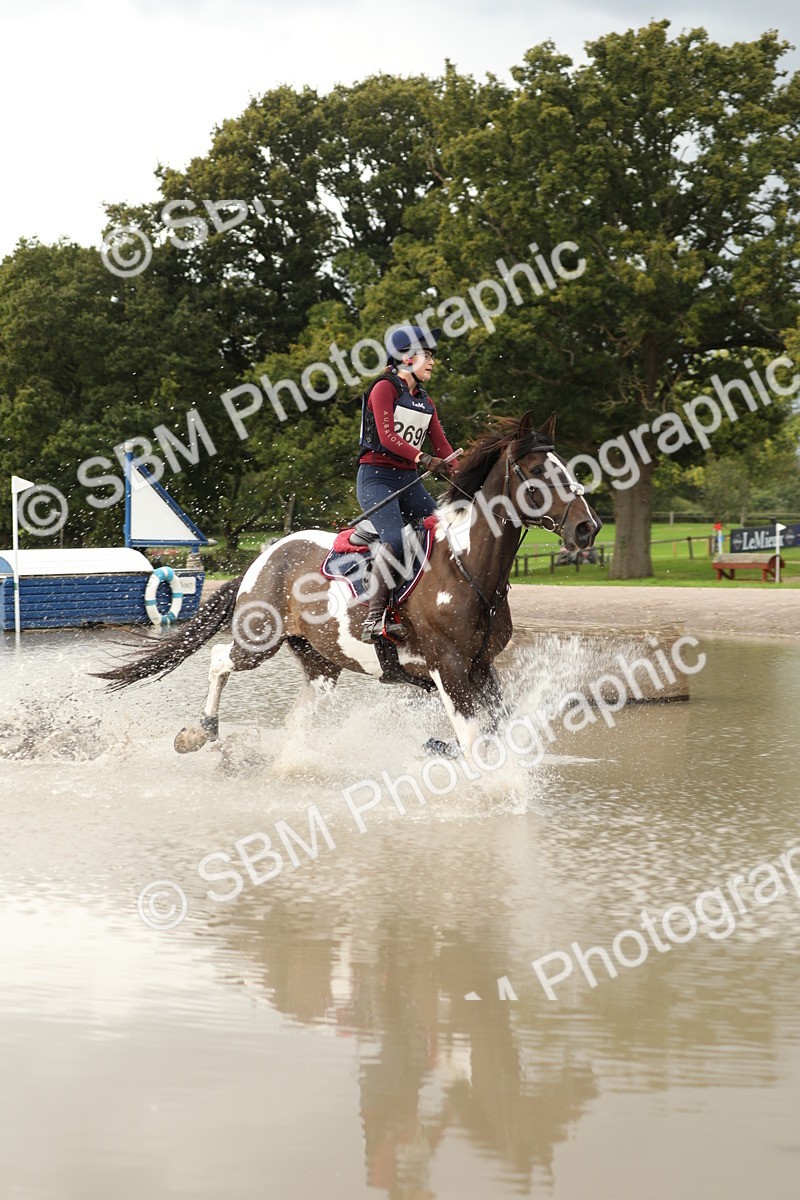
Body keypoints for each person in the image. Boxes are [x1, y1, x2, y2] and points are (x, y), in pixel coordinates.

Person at [357, 325, 455, 642]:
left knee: (444, 531)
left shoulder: (425, 401)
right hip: (376, 478)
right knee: (395, 539)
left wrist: (464, 474)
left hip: (409, 481)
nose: (432, 362)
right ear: (407, 357)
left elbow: (443, 447)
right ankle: (374, 618)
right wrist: (424, 459)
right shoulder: (383, 388)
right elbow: (387, 438)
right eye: (427, 355)